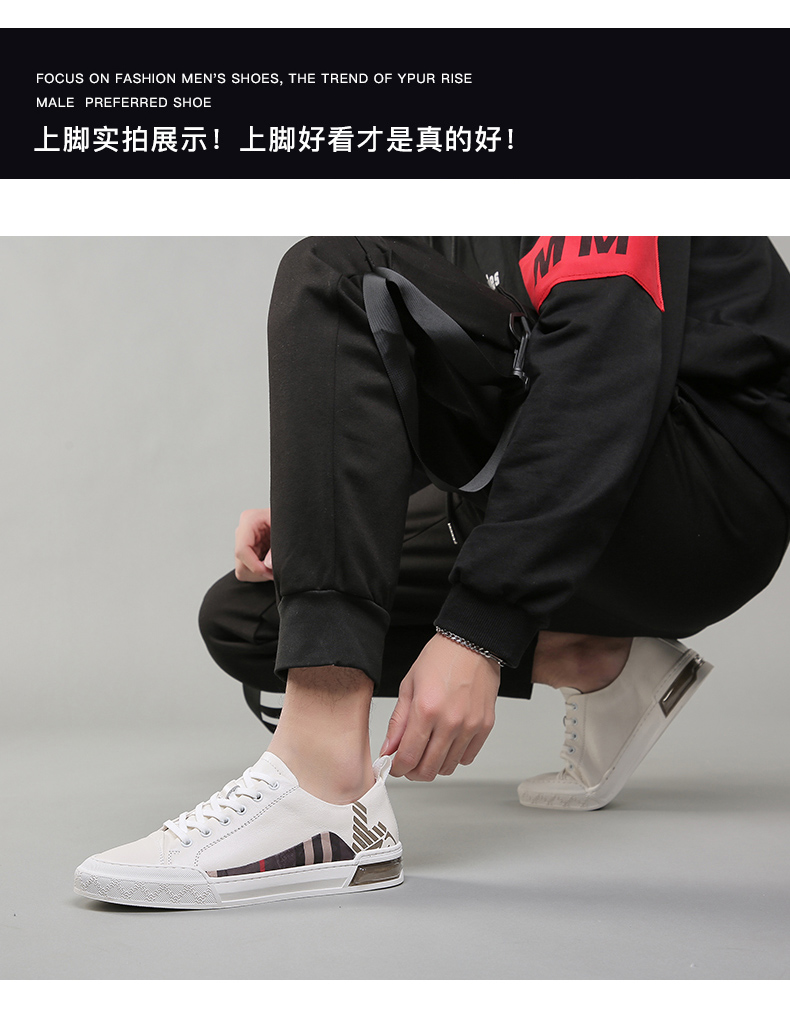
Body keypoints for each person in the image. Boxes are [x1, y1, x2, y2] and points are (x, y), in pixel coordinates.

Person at [74, 236, 790, 910]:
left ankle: (322, 790)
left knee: (335, 275)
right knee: (254, 618)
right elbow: (447, 367)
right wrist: (323, 510)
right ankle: (595, 660)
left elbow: (601, 372)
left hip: (706, 490)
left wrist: (481, 627)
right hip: (592, 488)